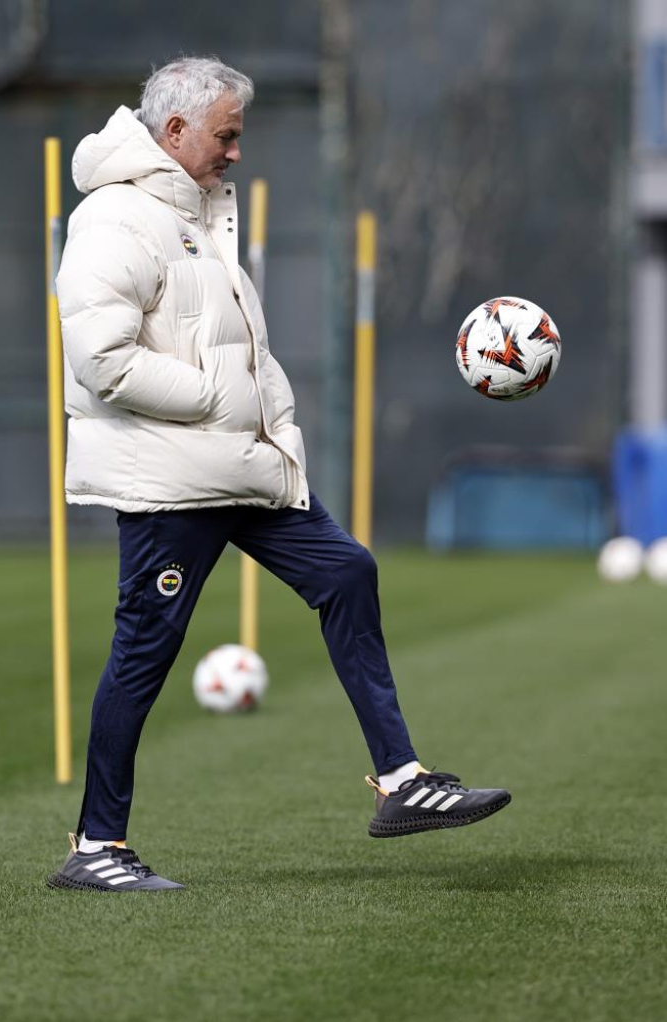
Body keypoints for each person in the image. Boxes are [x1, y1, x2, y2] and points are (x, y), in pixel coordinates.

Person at [48, 56, 510, 893]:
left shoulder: (194, 211)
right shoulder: (115, 218)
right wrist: (215, 398)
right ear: (175, 129)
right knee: (143, 654)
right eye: (226, 135)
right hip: (172, 481)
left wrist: (246, 415)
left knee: (347, 571)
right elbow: (101, 362)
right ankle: (96, 848)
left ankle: (402, 782)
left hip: (237, 463)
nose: (236, 152)